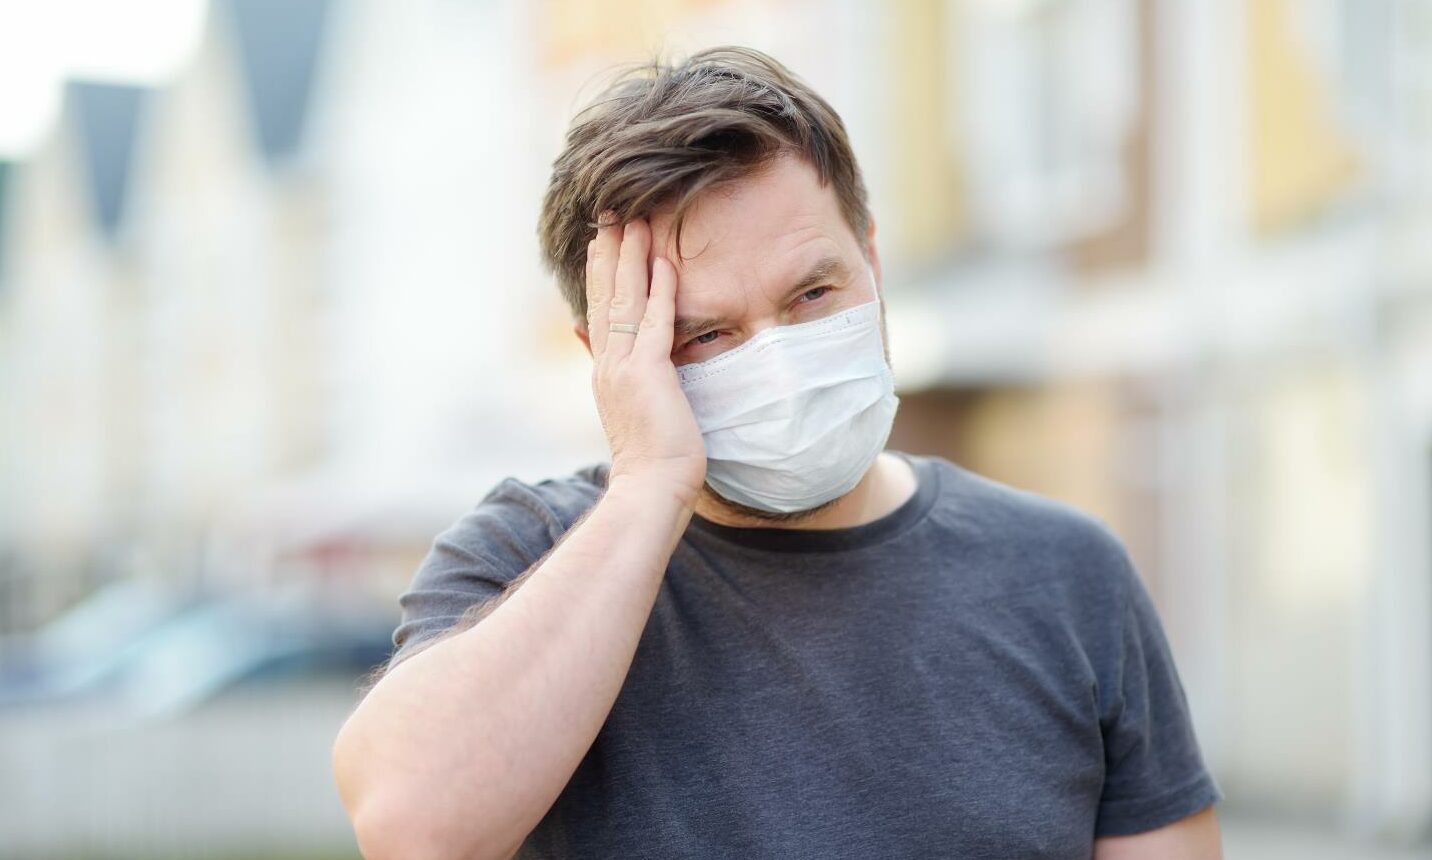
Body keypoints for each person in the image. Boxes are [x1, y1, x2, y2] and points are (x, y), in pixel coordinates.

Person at [332, 46, 1223, 860]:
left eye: (811, 293)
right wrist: (650, 484)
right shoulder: (527, 554)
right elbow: (414, 825)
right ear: (609, 351)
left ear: (871, 261)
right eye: (708, 334)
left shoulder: (1066, 577)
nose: (780, 363)